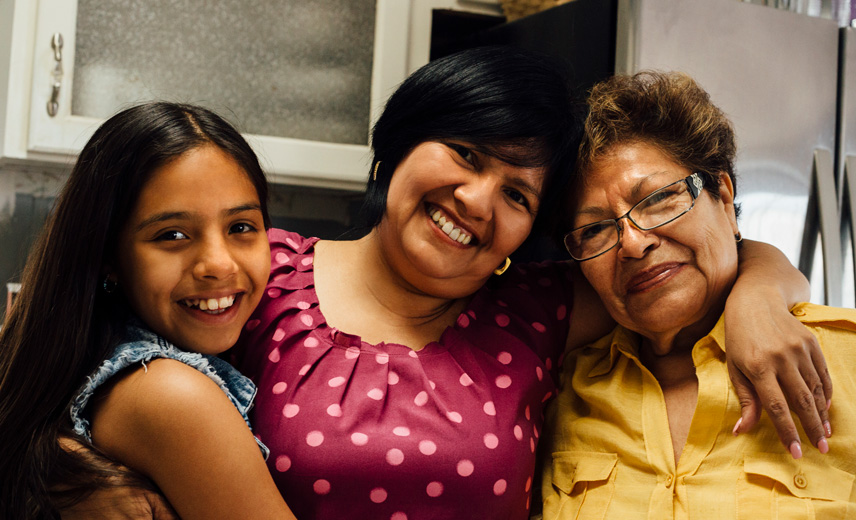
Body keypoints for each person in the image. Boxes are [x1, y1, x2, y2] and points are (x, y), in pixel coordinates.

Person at [231, 48, 829, 520]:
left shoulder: (533, 313)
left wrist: (760, 297)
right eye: (466, 154)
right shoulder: (265, 273)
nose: (476, 201)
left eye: (517, 194)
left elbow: (691, 258)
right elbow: (146, 359)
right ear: (403, 138)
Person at [540, 71, 855, 519]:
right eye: (594, 230)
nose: (633, 242)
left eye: (659, 199)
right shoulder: (559, 392)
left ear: (724, 199)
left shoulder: (848, 359)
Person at [0, 102, 296, 519]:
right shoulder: (174, 396)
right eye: (172, 234)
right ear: (109, 257)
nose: (219, 264)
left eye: (241, 227)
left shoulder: (83, 356)